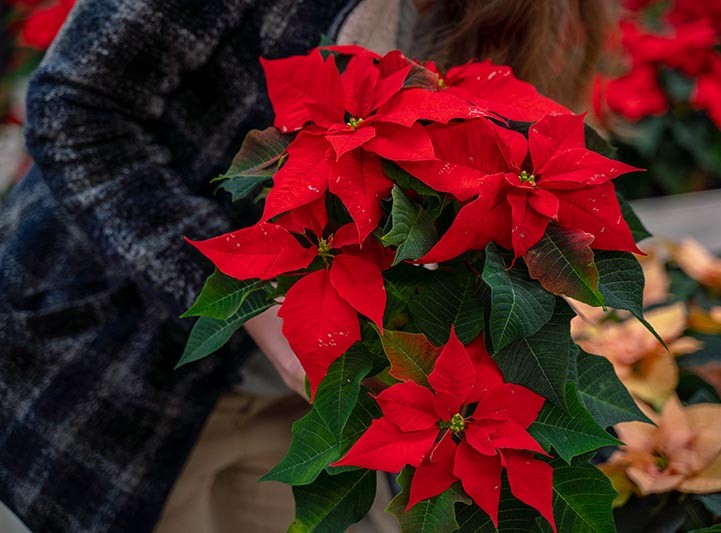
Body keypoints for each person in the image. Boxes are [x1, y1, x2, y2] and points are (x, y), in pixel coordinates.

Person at [0, 0, 612, 531]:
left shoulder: (517, 14)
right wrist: (254, 304)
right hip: (122, 370)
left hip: (321, 407)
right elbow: (74, 107)